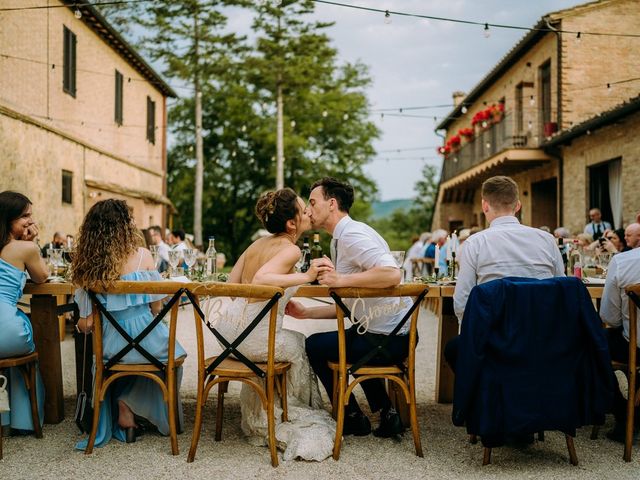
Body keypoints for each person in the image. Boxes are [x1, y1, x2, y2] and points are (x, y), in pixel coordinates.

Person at [213, 187, 334, 462]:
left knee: (285, 338)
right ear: (292, 223)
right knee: (299, 344)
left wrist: (266, 305)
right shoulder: (290, 250)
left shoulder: (255, 245)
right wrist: (306, 276)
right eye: (304, 210)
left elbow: (232, 288)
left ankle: (265, 408)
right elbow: (261, 279)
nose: (308, 213)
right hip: (253, 340)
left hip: (228, 335)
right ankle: (288, 410)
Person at [286, 177, 411, 439]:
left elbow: (391, 274)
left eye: (312, 202)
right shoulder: (340, 238)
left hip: (389, 338)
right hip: (383, 332)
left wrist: (341, 280)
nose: (308, 209)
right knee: (353, 336)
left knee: (315, 346)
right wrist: (306, 312)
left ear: (332, 204)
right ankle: (387, 413)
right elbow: (352, 307)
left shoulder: (352, 235)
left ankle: (353, 416)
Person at [71, 199, 187, 449]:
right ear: (125, 226)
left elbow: (86, 325)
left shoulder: (88, 268)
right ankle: (128, 402)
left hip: (111, 348)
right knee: (173, 357)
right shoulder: (143, 256)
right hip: (149, 342)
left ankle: (122, 406)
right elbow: (156, 308)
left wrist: (88, 319)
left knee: (126, 357)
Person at [446, 176, 565, 371]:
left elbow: (462, 301)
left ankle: (485, 395)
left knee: (453, 349)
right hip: (542, 334)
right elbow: (561, 287)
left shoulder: (475, 243)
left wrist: (472, 336)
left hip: (494, 338)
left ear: (485, 206)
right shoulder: (546, 240)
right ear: (518, 205)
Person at [0, 191, 48, 433]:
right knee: (20, 345)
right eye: (25, 217)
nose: (31, 221)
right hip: (7, 332)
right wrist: (33, 243)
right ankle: (23, 421)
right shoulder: (23, 248)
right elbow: (42, 277)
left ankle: (4, 421)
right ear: (8, 220)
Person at [600, 222, 640, 442]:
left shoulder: (623, 262)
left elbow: (610, 318)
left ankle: (624, 413)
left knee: (592, 344)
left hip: (635, 346)